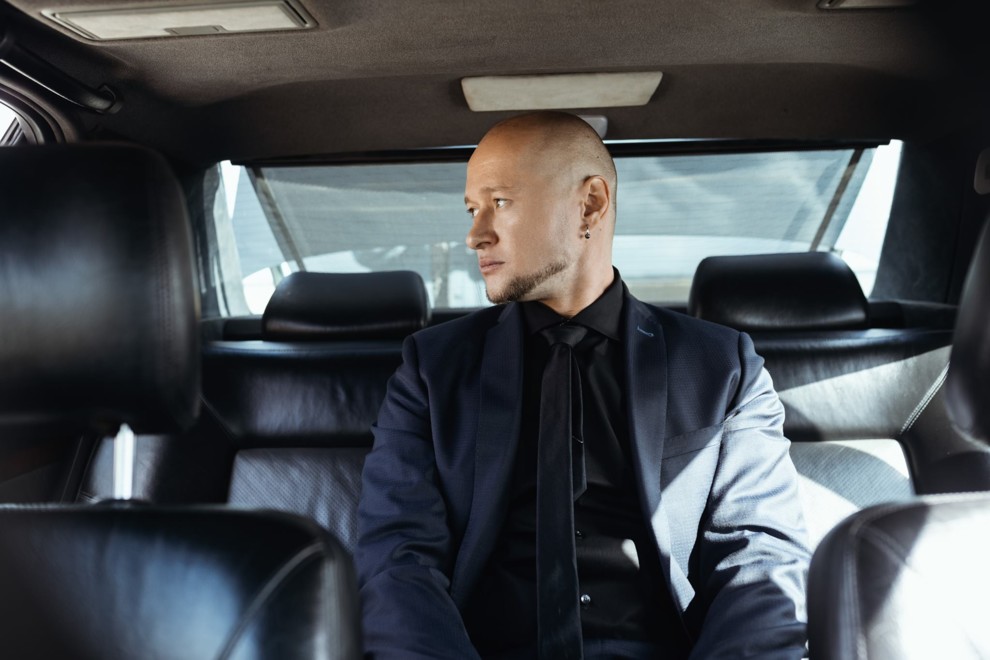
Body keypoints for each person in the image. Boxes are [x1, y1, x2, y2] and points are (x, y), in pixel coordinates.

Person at [356, 111, 811, 659]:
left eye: (500, 202)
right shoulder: (432, 367)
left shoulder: (722, 366)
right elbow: (398, 559)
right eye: (473, 209)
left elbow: (761, 560)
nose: (475, 235)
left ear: (590, 204)